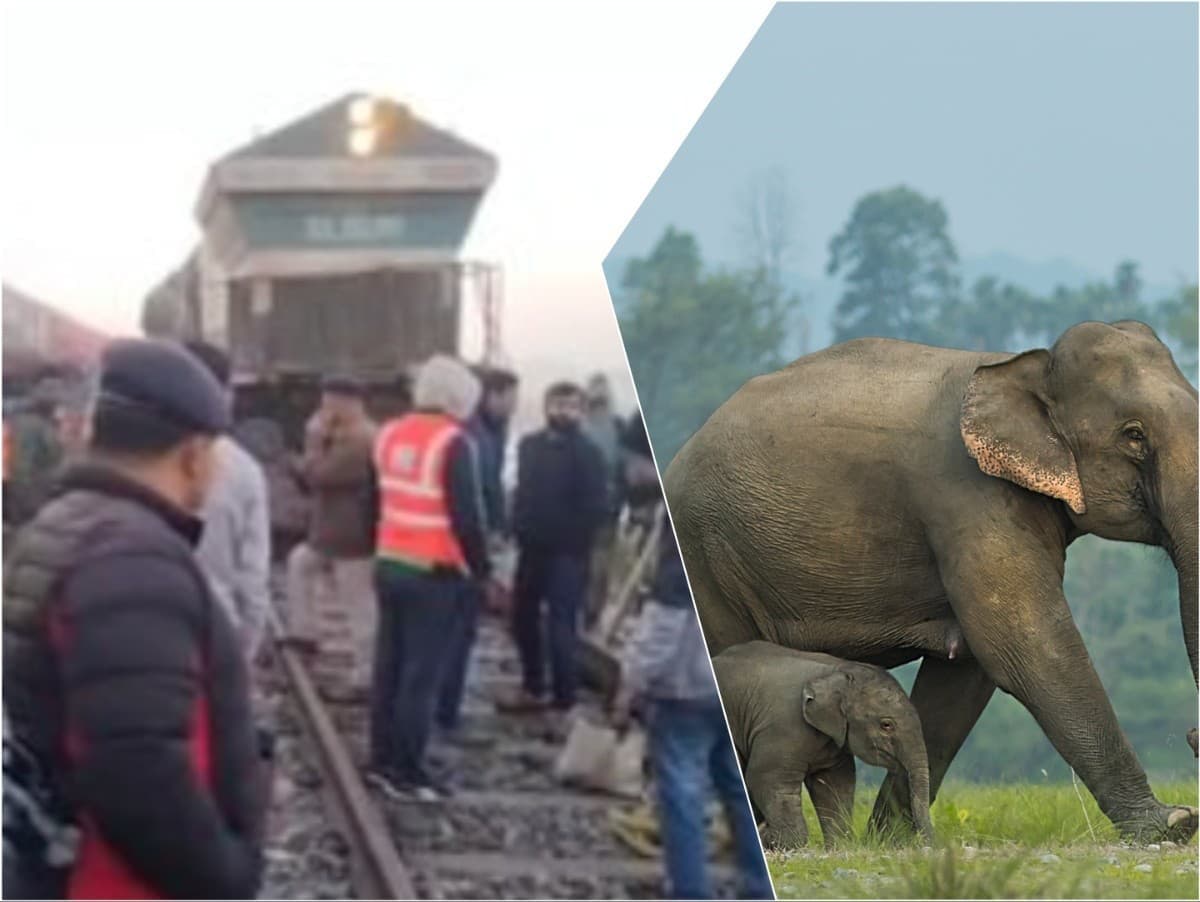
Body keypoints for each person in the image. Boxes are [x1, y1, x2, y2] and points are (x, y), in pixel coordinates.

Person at [2, 339, 266, 899]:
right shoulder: (133, 560)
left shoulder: (69, 522)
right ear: (193, 454)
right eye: (214, 454)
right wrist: (228, 874)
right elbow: (137, 768)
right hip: (119, 882)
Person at [610, 412, 772, 901]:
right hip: (737, 681)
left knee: (680, 798)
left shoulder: (678, 523)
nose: (630, 474)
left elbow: (665, 621)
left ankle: (690, 892)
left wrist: (629, 684)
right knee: (739, 794)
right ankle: (759, 887)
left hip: (686, 689)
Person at [367, 354, 493, 801]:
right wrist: (483, 572)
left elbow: (375, 502)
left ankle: (381, 761)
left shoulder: (387, 435)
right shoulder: (454, 443)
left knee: (389, 669)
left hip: (389, 566)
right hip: (435, 575)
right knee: (421, 678)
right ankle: (409, 771)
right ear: (458, 398)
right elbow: (467, 518)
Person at [499, 381, 608, 715]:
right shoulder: (530, 446)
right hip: (531, 548)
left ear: (582, 411)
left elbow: (595, 508)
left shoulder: (590, 454)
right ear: (547, 407)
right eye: (558, 405)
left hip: (568, 555)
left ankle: (564, 698)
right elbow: (521, 491)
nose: (563, 412)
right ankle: (532, 684)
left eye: (572, 406)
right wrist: (516, 527)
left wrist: (576, 543)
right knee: (523, 619)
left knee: (562, 626)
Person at [435, 366, 519, 742]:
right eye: (510, 397)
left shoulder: (486, 433)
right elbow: (478, 499)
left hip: (458, 548)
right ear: (489, 396)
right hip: (462, 552)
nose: (515, 405)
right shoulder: (472, 438)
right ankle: (446, 710)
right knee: (457, 633)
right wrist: (485, 559)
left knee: (456, 633)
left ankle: (444, 706)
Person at [285, 375, 379, 698]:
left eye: (330, 402)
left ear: (350, 403)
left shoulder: (361, 439)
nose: (323, 410)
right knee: (300, 564)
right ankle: (304, 632)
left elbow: (319, 476)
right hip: (330, 531)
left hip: (351, 535)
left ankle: (368, 672)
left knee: (358, 603)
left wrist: (312, 444)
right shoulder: (341, 434)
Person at [184, 341, 272, 663]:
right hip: (216, 633)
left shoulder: (137, 460)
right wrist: (242, 656)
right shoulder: (244, 470)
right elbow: (252, 582)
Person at [580, 372, 626, 626]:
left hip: (599, 508)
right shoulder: (616, 426)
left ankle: (589, 611)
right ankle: (591, 612)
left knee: (593, 562)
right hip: (603, 507)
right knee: (597, 562)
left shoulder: (581, 427)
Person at [3, 377, 65, 528]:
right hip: (26, 501)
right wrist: (23, 506)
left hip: (34, 496)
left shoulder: (45, 425)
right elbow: (21, 467)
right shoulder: (31, 426)